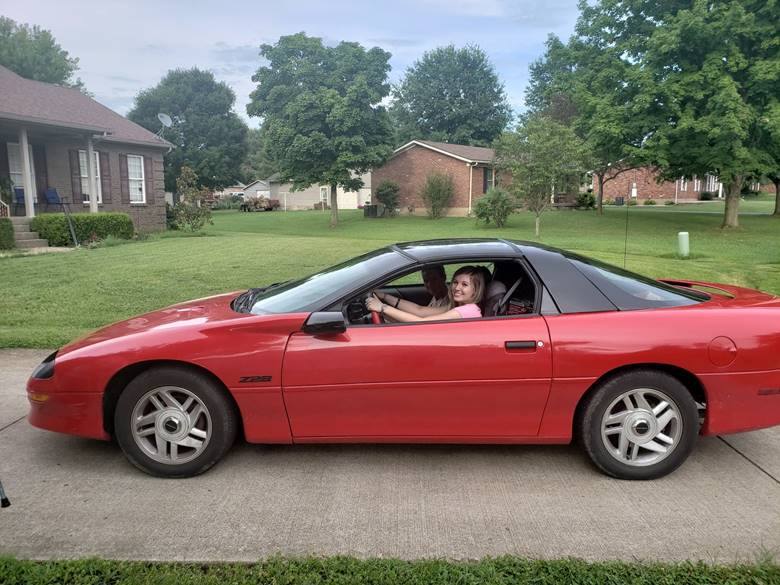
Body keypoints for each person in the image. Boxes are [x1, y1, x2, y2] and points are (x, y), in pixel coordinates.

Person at [367, 265, 485, 322]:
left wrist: (383, 307)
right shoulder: (457, 307)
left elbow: (422, 323)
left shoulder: (466, 311)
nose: (457, 287)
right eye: (455, 282)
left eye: (464, 284)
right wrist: (385, 297)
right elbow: (420, 311)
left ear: (476, 289)